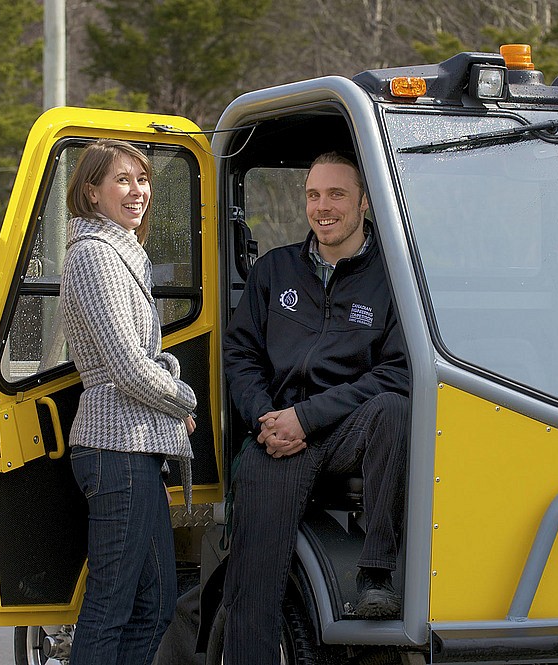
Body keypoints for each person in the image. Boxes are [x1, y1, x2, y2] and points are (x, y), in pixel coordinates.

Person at [221, 151, 410, 662]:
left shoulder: (394, 276)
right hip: (276, 433)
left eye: (336, 194)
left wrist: (308, 417)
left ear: (365, 202)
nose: (322, 207)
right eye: (313, 195)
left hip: (346, 429)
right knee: (251, 582)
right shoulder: (274, 270)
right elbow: (240, 354)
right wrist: (265, 418)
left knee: (393, 409)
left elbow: (396, 371)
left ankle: (376, 575)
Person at [60, 139, 197, 665]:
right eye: (122, 179)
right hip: (115, 448)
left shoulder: (122, 254)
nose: (138, 191)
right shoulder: (95, 255)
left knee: (156, 604)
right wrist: (182, 400)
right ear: (91, 192)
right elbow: (126, 366)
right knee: (110, 606)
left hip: (136, 448)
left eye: (142, 180)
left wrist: (166, 398)